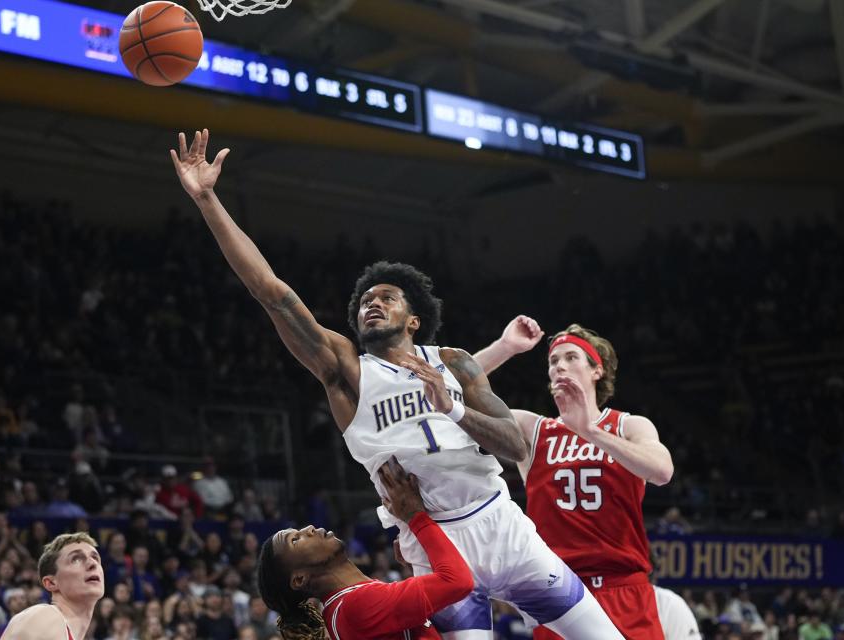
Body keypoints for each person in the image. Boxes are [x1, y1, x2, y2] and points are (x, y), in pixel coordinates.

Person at [171, 129, 622, 639]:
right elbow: (272, 295)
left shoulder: (454, 363)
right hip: (438, 546)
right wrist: (207, 199)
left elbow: (515, 444)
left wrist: (452, 409)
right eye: (366, 300)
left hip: (504, 526)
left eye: (387, 297)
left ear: (413, 320)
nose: (373, 302)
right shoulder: (347, 370)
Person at [473, 317, 674, 639]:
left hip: (624, 586)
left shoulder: (629, 426)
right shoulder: (533, 429)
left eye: (571, 357)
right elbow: (455, 388)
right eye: (553, 361)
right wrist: (505, 347)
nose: (559, 367)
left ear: (597, 370)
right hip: (561, 593)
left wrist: (591, 432)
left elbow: (662, 472)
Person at [257, 457, 473, 640]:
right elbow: (458, 582)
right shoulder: (355, 607)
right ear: (299, 579)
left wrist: (416, 564)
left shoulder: (346, 606)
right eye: (295, 540)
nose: (310, 529)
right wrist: (416, 517)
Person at [0, 532, 105, 640]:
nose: (93, 563)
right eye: (76, 559)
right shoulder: (45, 617)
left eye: (95, 558)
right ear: (51, 583)